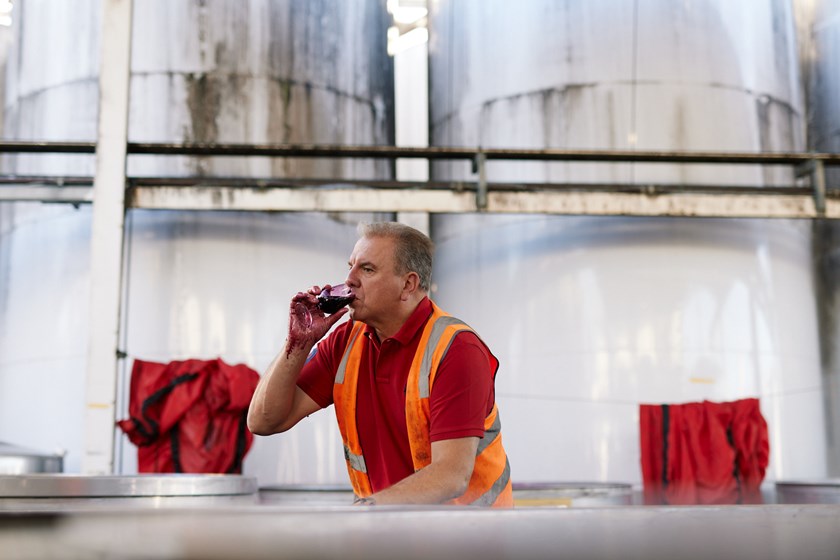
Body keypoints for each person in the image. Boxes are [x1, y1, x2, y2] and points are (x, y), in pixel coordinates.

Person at [247, 221, 512, 506]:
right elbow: (263, 421)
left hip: (468, 533)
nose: (349, 279)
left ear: (408, 285)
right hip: (387, 525)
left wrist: (366, 512)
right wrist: (298, 344)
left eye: (367, 269)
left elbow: (451, 475)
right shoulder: (346, 341)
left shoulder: (457, 350)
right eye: (350, 266)